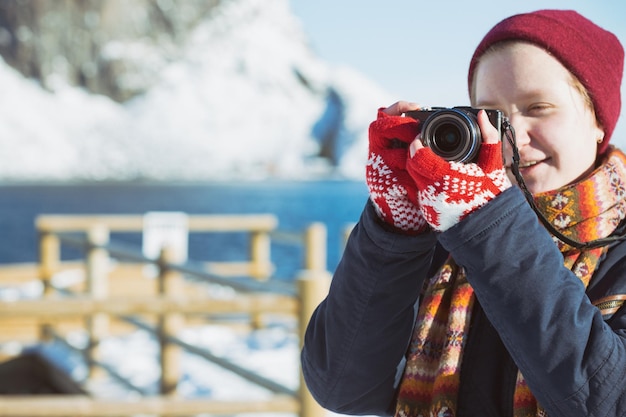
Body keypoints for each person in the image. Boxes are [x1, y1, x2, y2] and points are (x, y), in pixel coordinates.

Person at [301, 9, 626, 417]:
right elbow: (341, 387)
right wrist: (397, 228)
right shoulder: (444, 234)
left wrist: (488, 227)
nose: (515, 137)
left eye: (539, 107)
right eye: (492, 115)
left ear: (599, 120)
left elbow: (611, 403)